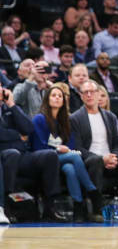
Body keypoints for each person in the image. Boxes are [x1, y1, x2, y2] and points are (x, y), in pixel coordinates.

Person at [30, 83, 104, 222]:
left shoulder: (66, 121)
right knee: (75, 157)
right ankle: (93, 191)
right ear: (47, 99)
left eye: (60, 96)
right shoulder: (39, 119)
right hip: (42, 158)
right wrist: (58, 149)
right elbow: (38, 146)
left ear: (64, 101)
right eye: (53, 95)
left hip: (63, 159)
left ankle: (78, 207)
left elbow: (70, 145)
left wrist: (65, 150)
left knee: (70, 169)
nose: (57, 98)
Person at [0, 84, 68, 222]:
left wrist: (12, 105)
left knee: (49, 155)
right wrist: (16, 134)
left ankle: (50, 207)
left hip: (23, 155)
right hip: (4, 156)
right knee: (12, 154)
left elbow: (28, 128)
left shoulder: (9, 108)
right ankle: (7, 207)